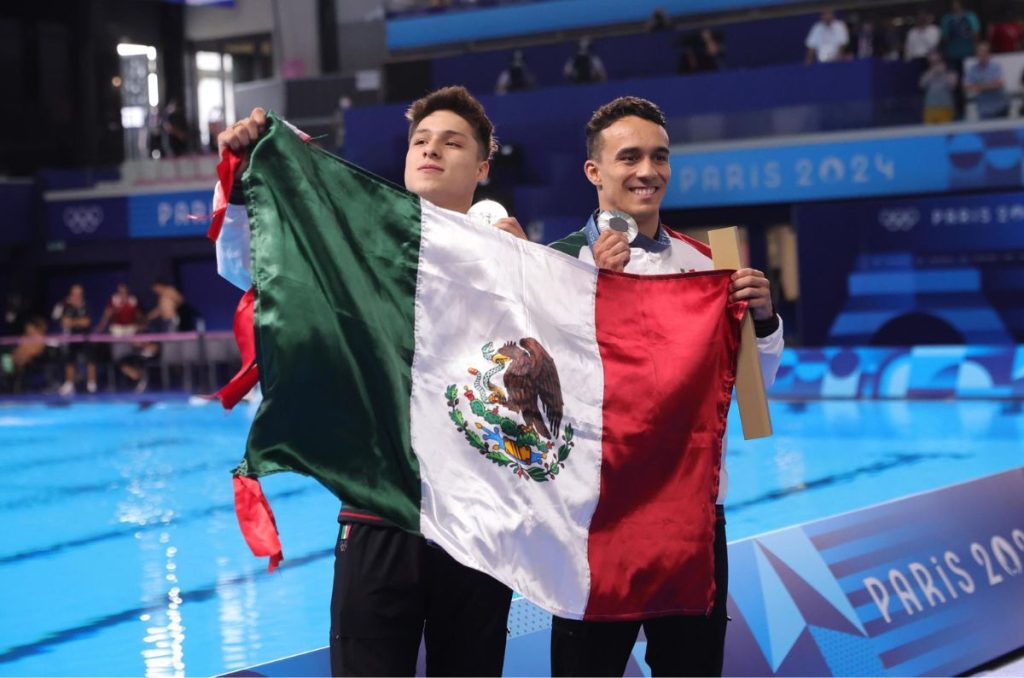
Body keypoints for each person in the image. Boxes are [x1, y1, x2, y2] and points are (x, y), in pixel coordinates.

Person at [214, 86, 526, 676]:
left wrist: (524, 273)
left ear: (483, 168)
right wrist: (242, 173)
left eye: (452, 142)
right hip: (377, 516)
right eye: (421, 140)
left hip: (478, 527)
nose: (431, 149)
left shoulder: (517, 259)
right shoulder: (356, 244)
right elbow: (249, 268)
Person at [546, 96, 784, 677]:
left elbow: (749, 391)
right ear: (593, 172)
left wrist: (764, 323)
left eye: (659, 157)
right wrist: (593, 292)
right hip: (592, 524)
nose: (647, 171)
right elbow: (538, 395)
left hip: (691, 520)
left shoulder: (708, 266)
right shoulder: (553, 266)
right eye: (629, 157)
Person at [51, 283, 97, 395]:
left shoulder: (86, 305)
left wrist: (73, 322)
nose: (77, 296)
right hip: (71, 338)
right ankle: (69, 384)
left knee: (90, 360)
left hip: (85, 338)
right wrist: (75, 322)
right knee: (69, 360)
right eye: (74, 294)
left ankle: (91, 385)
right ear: (71, 294)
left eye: (79, 294)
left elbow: (86, 322)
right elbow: (60, 320)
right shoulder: (64, 306)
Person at [964, 41, 1009, 120]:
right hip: (984, 110)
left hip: (1000, 107)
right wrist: (990, 85)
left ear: (988, 54)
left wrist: (979, 86)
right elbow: (967, 87)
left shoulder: (996, 67)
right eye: (979, 54)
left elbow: (1000, 84)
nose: (982, 56)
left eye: (984, 53)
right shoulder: (972, 70)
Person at [920, 50, 959, 124]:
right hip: (930, 108)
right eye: (930, 56)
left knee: (945, 132)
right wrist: (933, 72)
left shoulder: (950, 70)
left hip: (945, 107)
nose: (933, 58)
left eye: (935, 55)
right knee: (930, 133)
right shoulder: (926, 72)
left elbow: (953, 85)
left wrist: (943, 72)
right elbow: (922, 85)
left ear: (940, 56)